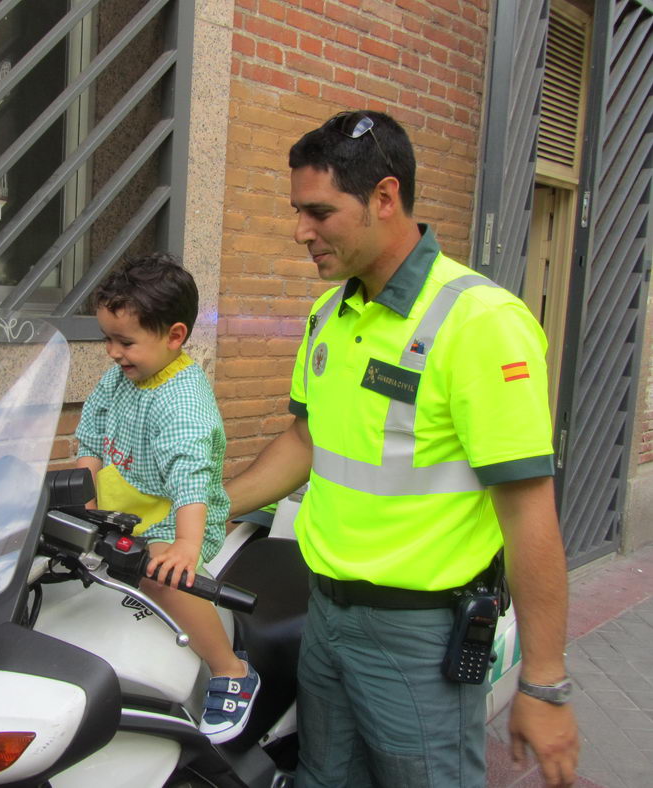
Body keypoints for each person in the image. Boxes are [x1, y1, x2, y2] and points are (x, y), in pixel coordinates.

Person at [224, 111, 580, 786]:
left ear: (384, 198)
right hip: (323, 615)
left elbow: (528, 513)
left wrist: (545, 683)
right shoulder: (328, 313)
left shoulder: (480, 323)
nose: (300, 231)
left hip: (419, 638)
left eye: (318, 212)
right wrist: (202, 504)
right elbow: (305, 439)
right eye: (297, 211)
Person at [75, 253, 260, 743]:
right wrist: (80, 495)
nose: (113, 352)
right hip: (124, 507)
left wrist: (185, 546)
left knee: (163, 576)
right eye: (108, 339)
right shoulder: (124, 375)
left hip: (172, 517)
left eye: (125, 341)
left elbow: (191, 481)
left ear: (175, 336)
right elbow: (91, 439)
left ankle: (231, 671)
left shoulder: (182, 403)